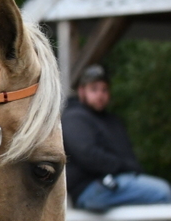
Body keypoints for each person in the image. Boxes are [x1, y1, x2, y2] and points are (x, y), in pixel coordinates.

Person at [62, 64, 171, 211]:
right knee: (162, 192)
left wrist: (133, 170)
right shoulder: (74, 117)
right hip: (91, 188)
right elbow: (88, 155)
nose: (100, 95)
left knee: (154, 191)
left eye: (104, 90)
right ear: (82, 91)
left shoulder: (112, 121)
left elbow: (128, 156)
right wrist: (124, 167)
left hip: (115, 183)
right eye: (94, 89)